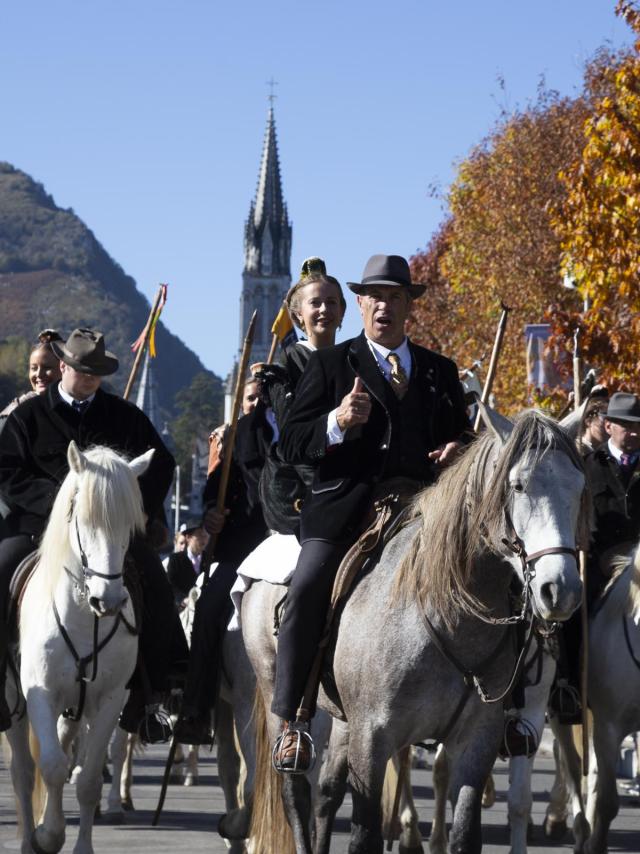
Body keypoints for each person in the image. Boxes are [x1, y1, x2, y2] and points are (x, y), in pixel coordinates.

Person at [271, 253, 470, 771]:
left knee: (496, 574)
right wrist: (336, 421)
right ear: (360, 305)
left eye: (395, 297)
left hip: (428, 511)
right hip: (348, 510)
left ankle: (502, 705)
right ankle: (292, 720)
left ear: (409, 307)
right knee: (307, 588)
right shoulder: (329, 365)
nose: (384, 306)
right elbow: (291, 443)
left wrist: (460, 452)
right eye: (375, 297)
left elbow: (465, 437)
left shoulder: (439, 371)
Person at [175, 258, 347, 744]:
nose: (265, 402)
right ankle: (195, 707)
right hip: (246, 541)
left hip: (320, 520)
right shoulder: (239, 438)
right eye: (260, 395)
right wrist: (211, 514)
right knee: (210, 609)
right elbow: (215, 494)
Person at [0, 328, 187, 735]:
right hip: (38, 531)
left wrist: (136, 513)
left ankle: (154, 692)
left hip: (109, 534)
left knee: (155, 583)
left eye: (96, 373)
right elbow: (7, 473)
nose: (89, 379)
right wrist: (59, 503)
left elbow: (162, 465)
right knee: (0, 570)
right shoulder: (26, 417)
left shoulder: (124, 417)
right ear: (62, 367)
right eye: (83, 370)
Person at [584, 391, 640, 605]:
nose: (635, 433)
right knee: (571, 622)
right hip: (598, 571)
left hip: (639, 568)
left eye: (638, 427)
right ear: (609, 427)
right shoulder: (587, 466)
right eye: (627, 427)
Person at [0, 329, 65, 428]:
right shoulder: (15, 413)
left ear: (64, 368)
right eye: (34, 368)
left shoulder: (80, 407)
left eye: (47, 368)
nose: (38, 374)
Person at [166, 520, 209, 608]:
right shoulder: (175, 559)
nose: (203, 539)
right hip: (182, 609)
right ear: (188, 537)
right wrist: (182, 599)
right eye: (200, 535)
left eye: (205, 535)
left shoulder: (210, 559)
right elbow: (171, 585)